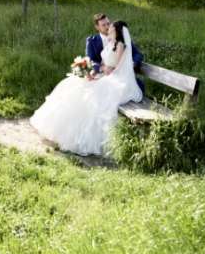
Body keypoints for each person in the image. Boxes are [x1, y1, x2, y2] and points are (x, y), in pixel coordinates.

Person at [29, 20, 143, 156]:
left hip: (115, 79)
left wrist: (110, 71)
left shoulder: (120, 44)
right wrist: (95, 71)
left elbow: (117, 68)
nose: (108, 28)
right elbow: (100, 62)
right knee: (73, 85)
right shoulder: (106, 42)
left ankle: (82, 135)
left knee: (92, 94)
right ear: (97, 27)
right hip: (104, 75)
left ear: (117, 31)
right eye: (106, 25)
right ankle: (63, 129)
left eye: (110, 27)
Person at [86, 12, 145, 93]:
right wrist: (102, 68)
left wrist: (130, 64)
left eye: (108, 23)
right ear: (97, 27)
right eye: (103, 25)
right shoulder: (91, 41)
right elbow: (90, 60)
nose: (107, 27)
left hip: (119, 77)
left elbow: (138, 54)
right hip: (102, 74)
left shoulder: (122, 39)